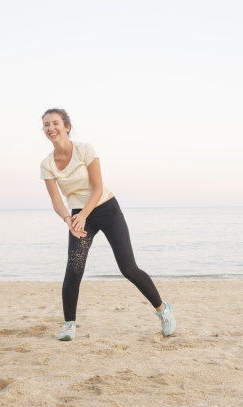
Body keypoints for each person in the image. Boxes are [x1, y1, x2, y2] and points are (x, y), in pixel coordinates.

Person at [39, 108, 175, 341]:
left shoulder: (85, 150)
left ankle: (162, 309)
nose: (51, 128)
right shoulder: (47, 164)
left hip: (105, 208)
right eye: (46, 125)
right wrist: (68, 219)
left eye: (55, 123)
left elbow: (98, 188)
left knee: (128, 268)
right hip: (78, 217)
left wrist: (83, 215)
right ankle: (69, 324)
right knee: (74, 269)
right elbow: (55, 199)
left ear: (67, 127)